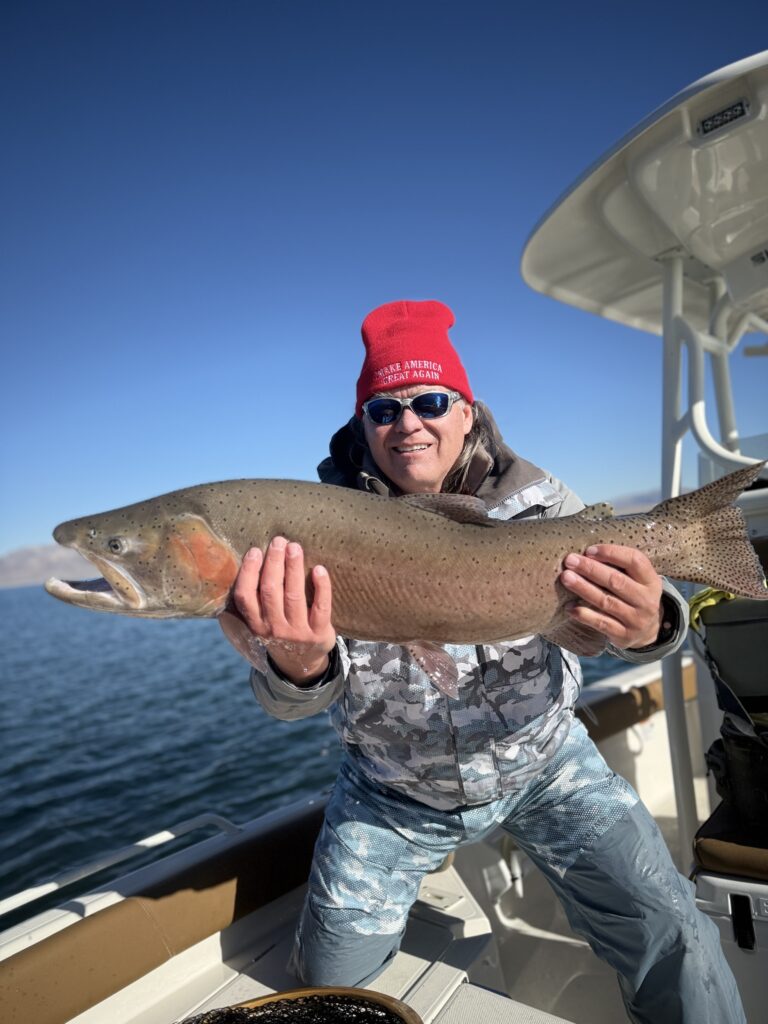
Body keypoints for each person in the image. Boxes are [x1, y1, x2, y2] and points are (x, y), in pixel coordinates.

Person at [220, 300, 745, 1023]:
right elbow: (289, 701)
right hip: (392, 793)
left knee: (678, 933)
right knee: (324, 991)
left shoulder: (544, 504)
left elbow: (637, 631)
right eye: (383, 410)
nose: (407, 424)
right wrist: (298, 666)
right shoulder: (309, 531)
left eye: (430, 402)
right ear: (363, 426)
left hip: (547, 766)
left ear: (468, 413)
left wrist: (651, 621)